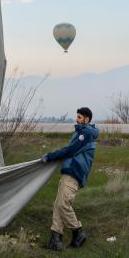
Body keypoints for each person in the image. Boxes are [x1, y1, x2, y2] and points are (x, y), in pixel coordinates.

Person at [40, 106, 98, 250]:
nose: (76, 119)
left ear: (87, 119)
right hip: (69, 172)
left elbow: (70, 150)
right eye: (77, 116)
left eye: (79, 117)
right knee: (58, 205)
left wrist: (50, 156)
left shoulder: (85, 134)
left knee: (62, 205)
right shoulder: (81, 133)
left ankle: (78, 232)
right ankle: (55, 240)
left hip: (74, 172)